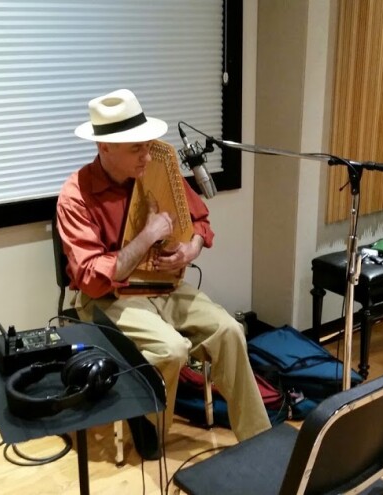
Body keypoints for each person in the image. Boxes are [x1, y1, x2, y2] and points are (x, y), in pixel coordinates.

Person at [56, 89, 271, 448]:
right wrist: (147, 236)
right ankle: (151, 432)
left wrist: (190, 249)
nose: (147, 153)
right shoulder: (76, 195)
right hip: (109, 299)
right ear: (104, 147)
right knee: (171, 349)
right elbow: (92, 279)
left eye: (148, 143)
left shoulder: (154, 169)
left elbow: (201, 221)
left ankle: (259, 441)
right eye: (136, 147)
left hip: (164, 287)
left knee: (230, 331)